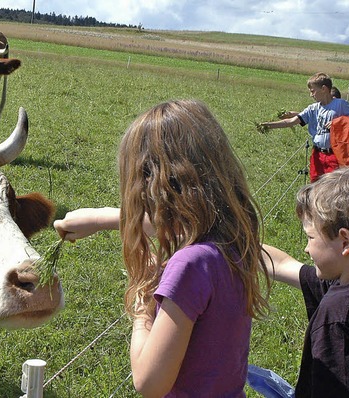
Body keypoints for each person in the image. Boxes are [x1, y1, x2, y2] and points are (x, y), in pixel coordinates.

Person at [54, 99, 271, 397]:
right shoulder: (235, 242)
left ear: (153, 185)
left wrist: (143, 302)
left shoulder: (190, 265)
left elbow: (149, 382)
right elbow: (179, 225)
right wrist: (98, 218)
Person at [263, 166, 349, 397]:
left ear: (345, 242)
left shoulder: (339, 318)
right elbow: (281, 265)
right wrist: (232, 243)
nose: (306, 248)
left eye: (310, 237)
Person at [259, 73, 349, 182]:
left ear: (323, 89)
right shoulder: (313, 109)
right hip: (317, 155)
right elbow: (291, 121)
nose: (311, 95)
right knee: (315, 186)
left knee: (332, 188)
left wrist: (338, 123)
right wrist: (267, 125)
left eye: (312, 91)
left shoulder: (341, 105)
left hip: (334, 155)